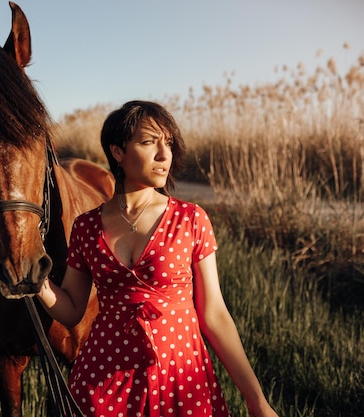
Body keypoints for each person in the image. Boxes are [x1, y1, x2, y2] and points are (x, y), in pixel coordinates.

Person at [36, 101, 278, 417]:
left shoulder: (191, 219)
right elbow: (70, 311)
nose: (164, 155)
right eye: (150, 142)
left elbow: (214, 314)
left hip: (180, 378)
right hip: (102, 380)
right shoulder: (86, 226)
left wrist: (255, 399)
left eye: (169, 143)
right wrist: (37, 283)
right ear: (118, 152)